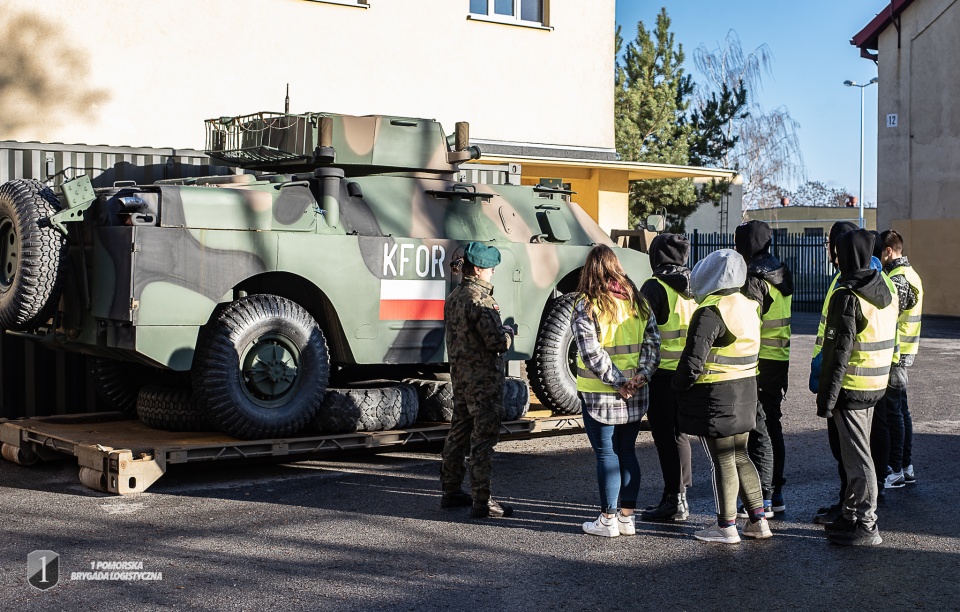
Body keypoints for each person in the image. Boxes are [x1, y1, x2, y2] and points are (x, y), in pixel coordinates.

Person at [674, 249, 771, 544]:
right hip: (746, 392)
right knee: (741, 455)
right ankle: (758, 521)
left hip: (716, 395)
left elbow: (693, 361)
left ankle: (726, 526)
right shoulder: (749, 305)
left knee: (723, 460)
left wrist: (676, 387)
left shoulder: (710, 311)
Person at [816, 229, 898, 546]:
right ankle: (851, 516)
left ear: (846, 255)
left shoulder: (847, 294)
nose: (834, 256)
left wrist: (826, 399)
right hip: (875, 384)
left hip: (850, 388)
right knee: (856, 457)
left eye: (837, 251)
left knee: (858, 459)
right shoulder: (883, 288)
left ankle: (867, 525)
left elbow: (838, 354)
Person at [573, 245, 660, 537]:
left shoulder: (586, 304)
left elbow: (591, 353)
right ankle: (627, 518)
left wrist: (617, 380)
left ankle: (607, 519)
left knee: (606, 455)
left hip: (600, 393)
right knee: (627, 452)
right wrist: (640, 376)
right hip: (635, 393)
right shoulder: (640, 303)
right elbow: (652, 347)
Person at [440, 241, 516, 518]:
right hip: (484, 382)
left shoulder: (455, 296)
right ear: (478, 269)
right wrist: (508, 332)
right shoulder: (481, 301)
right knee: (483, 442)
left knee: (458, 433)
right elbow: (496, 343)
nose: (493, 271)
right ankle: (482, 501)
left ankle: (450, 491)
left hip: (461, 378)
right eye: (491, 267)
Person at [735, 220, 792, 517]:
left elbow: (747, 322)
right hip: (778, 360)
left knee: (759, 429)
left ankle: (764, 497)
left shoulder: (754, 278)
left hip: (757, 361)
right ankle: (776, 493)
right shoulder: (781, 272)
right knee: (772, 424)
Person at [638, 234, 696, 522]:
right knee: (680, 435)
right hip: (688, 373)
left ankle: (674, 500)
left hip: (661, 375)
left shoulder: (654, 286)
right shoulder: (695, 284)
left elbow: (640, 329)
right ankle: (680, 496)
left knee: (664, 438)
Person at [810, 220, 858, 525]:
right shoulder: (844, 277)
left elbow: (840, 339)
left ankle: (852, 510)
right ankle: (846, 502)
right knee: (844, 450)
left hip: (848, 379)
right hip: (839, 375)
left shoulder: (852, 281)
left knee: (849, 451)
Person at [879, 229, 922, 488]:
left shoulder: (897, 279)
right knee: (901, 411)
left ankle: (895, 468)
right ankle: (905, 465)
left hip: (895, 352)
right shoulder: (910, 273)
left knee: (893, 412)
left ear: (889, 251)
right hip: (905, 349)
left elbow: (887, 316)